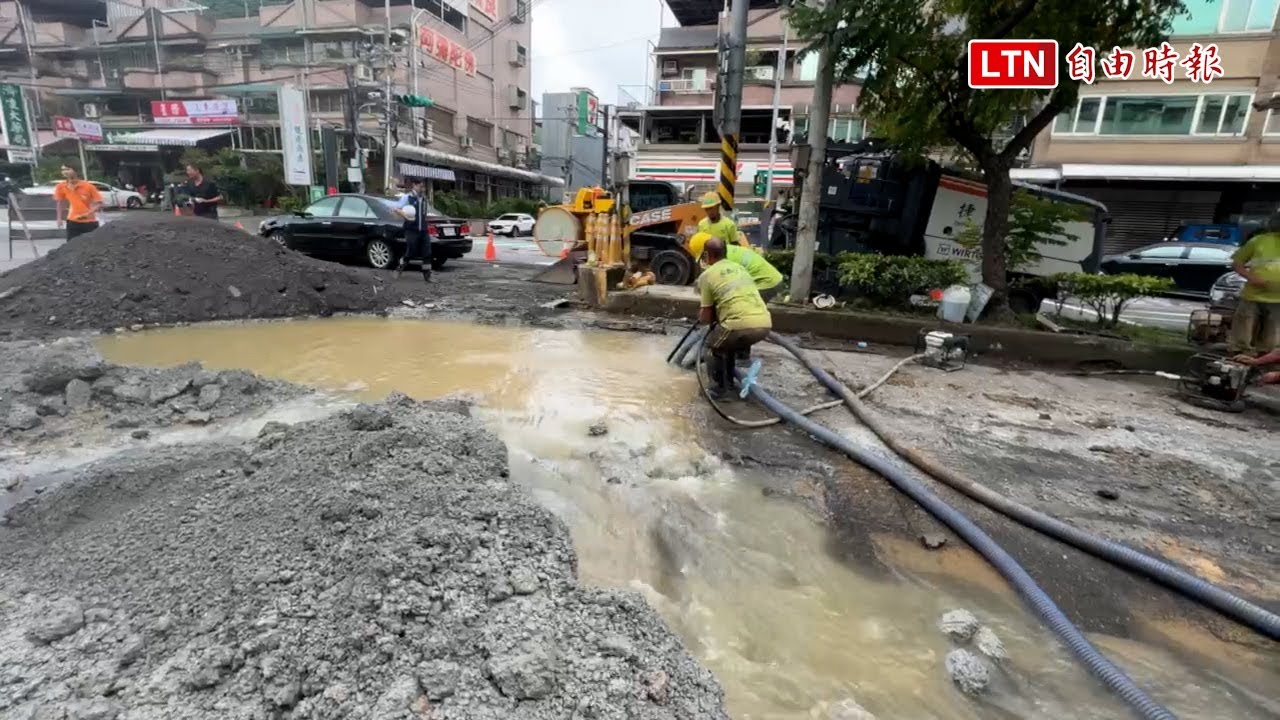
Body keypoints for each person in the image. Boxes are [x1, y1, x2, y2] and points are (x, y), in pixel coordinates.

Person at [696, 237, 772, 401]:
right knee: (726, 344)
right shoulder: (740, 268)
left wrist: (704, 316)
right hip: (765, 323)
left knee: (711, 346)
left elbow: (706, 316)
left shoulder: (707, 275)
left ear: (707, 255)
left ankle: (718, 390)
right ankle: (729, 383)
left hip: (739, 324)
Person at [1228, 211, 1280, 351]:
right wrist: (1251, 277)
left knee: (1272, 340)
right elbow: (1237, 263)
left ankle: (1263, 363)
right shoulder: (1259, 241)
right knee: (1242, 335)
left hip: (1278, 300)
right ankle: (1237, 358)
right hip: (1253, 295)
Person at [687, 231, 783, 301]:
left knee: (739, 306)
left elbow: (724, 289)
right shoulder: (724, 251)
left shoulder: (724, 261)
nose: (705, 260)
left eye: (704, 256)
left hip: (766, 284)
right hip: (772, 280)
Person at [392, 178, 432, 282]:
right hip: (411, 229)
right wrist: (405, 215)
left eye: (423, 187)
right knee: (411, 251)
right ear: (414, 185)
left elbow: (424, 214)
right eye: (420, 186)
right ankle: (399, 268)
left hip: (423, 230)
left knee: (427, 252)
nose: (422, 189)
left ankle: (427, 275)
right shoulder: (407, 197)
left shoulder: (423, 199)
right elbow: (396, 209)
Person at [53, 164, 103, 240]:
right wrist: (59, 218)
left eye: (68, 169)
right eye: (63, 170)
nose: (65, 172)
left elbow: (99, 203)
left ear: (75, 171)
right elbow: (60, 203)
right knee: (72, 246)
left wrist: (88, 213)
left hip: (89, 222)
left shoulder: (88, 186)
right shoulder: (61, 186)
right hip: (72, 221)